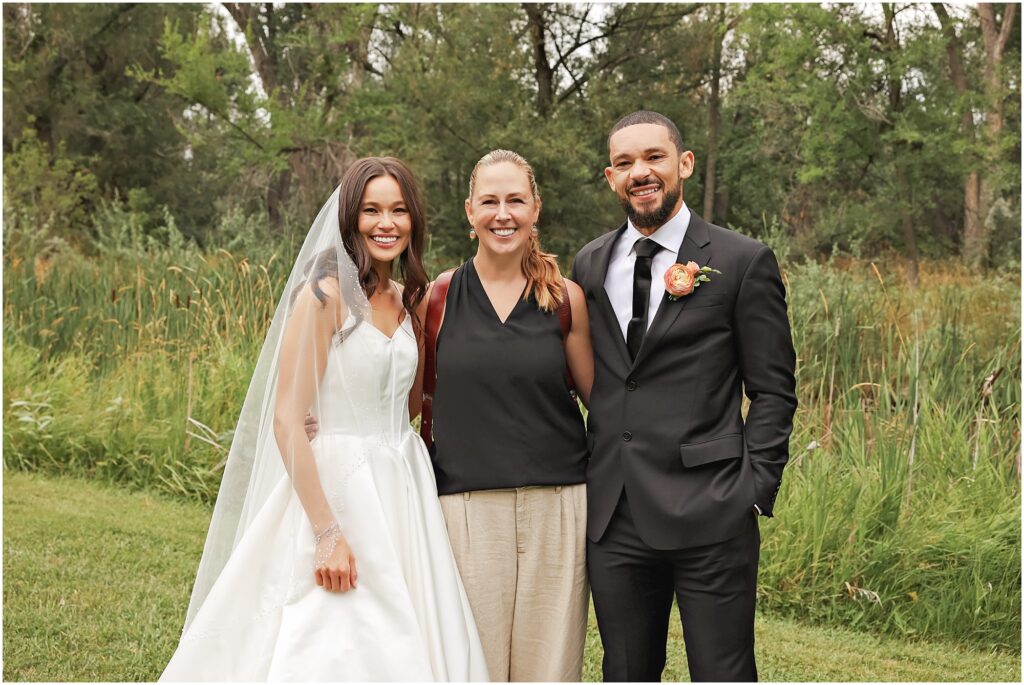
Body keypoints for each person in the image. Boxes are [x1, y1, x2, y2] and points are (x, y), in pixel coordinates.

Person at [161, 157, 489, 681]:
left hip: (403, 483)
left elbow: (404, 404)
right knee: (336, 632)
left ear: (414, 221)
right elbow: (287, 421)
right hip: (336, 486)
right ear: (349, 220)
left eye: (399, 210)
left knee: (413, 627)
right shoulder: (324, 297)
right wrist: (327, 533)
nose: (387, 223)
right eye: (371, 210)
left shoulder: (410, 301)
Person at [571, 111, 797, 682]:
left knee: (722, 672)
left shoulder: (742, 261)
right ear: (610, 177)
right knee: (624, 670)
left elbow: (772, 390)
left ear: (685, 164)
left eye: (654, 157)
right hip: (616, 516)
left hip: (712, 512)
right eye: (625, 163)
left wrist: (753, 487)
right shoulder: (590, 265)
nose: (640, 172)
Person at [423, 149, 595, 682]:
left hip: (558, 506)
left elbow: (606, 405)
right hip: (466, 510)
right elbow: (403, 401)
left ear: (535, 208)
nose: (504, 213)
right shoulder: (438, 299)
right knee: (473, 667)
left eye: (515, 200)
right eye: (490, 201)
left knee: (551, 669)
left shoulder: (566, 298)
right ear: (469, 212)